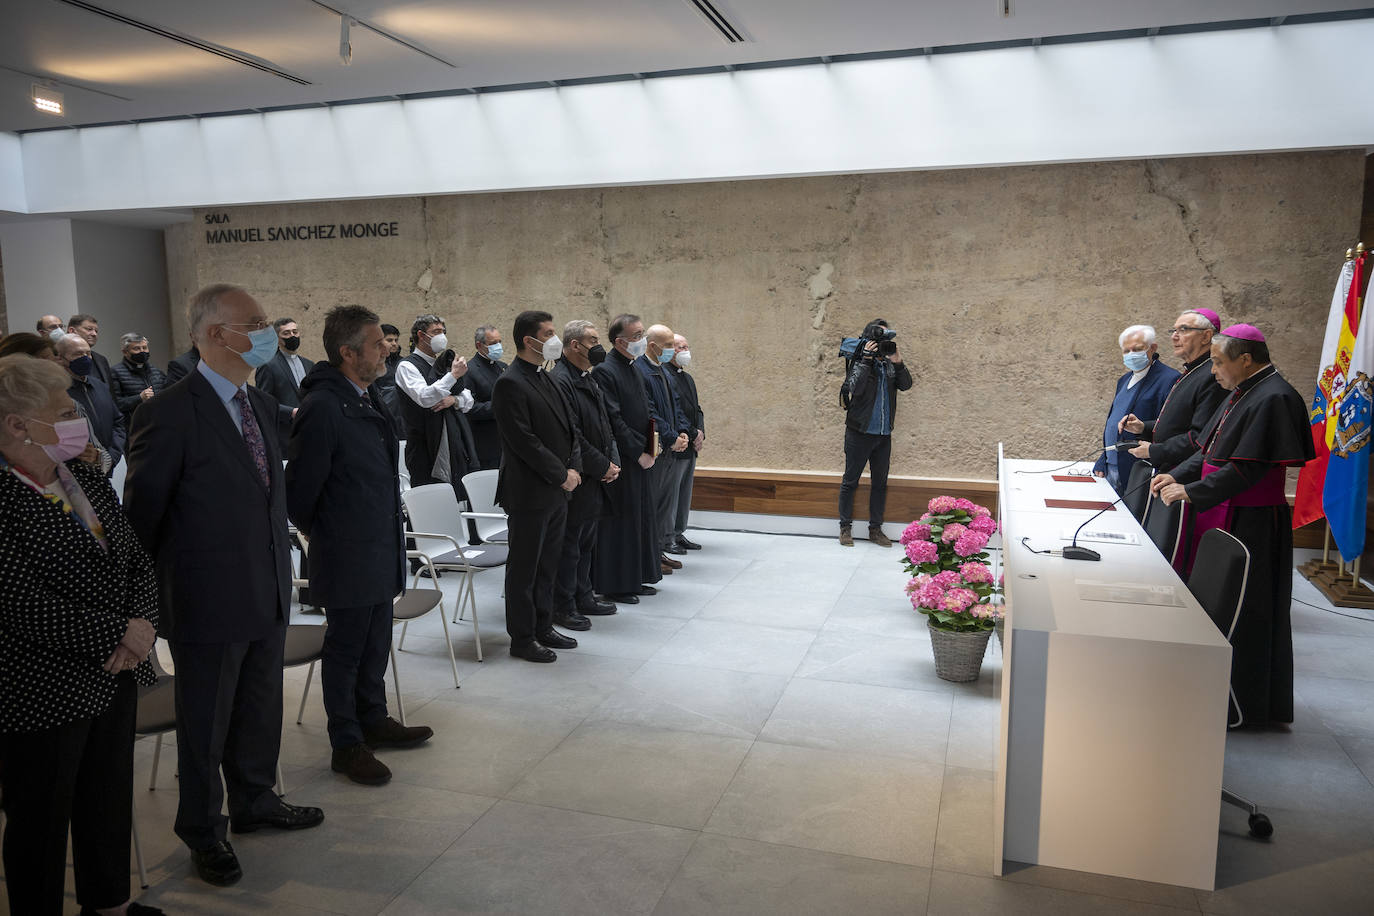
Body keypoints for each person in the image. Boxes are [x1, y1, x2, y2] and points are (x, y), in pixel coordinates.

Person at [124, 283, 324, 888]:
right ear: (215, 334)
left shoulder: (259, 405)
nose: (268, 332)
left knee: (260, 707)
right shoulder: (167, 412)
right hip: (205, 597)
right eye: (256, 323)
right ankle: (203, 830)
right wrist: (150, 604)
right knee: (206, 722)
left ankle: (256, 800)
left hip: (267, 587)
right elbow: (142, 521)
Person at [0, 355, 164, 916]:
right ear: (18, 425)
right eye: (64, 411)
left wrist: (139, 630)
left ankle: (110, 905)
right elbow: (19, 602)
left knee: (106, 801)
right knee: (40, 824)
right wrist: (120, 633)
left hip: (113, 673)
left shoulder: (84, 476)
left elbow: (137, 563)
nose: (78, 420)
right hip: (40, 687)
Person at [287, 306, 432, 787]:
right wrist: (339, 531)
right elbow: (301, 496)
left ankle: (374, 719)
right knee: (346, 648)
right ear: (348, 353)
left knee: (376, 642)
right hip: (349, 551)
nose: (386, 348)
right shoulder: (324, 407)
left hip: (377, 545)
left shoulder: (365, 398)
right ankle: (346, 743)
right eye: (376, 343)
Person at [1152, 324, 1315, 727]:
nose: (1214, 372)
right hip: (1225, 513)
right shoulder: (1242, 392)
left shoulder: (1275, 397)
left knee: (1247, 611)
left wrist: (1195, 492)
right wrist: (1180, 476)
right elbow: (1209, 450)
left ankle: (1245, 702)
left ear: (1245, 360)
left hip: (1252, 523)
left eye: (1219, 363)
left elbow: (1245, 469)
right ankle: (1209, 689)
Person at [492, 310, 582, 662]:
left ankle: (544, 625)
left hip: (558, 489)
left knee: (549, 564)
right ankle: (523, 637)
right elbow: (524, 441)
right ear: (529, 341)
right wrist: (562, 474)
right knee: (524, 568)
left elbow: (571, 429)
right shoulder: (510, 382)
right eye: (547, 333)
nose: (553, 338)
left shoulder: (548, 378)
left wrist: (573, 469)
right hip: (529, 491)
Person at [550, 320, 620, 629]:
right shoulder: (561, 380)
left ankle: (584, 594)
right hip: (578, 476)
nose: (598, 345)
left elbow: (605, 426)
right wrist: (601, 465)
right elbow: (573, 435)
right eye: (593, 340)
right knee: (570, 546)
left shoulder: (588, 377)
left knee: (587, 542)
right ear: (574, 345)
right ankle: (564, 605)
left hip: (596, 475)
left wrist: (612, 461)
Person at [591, 313, 662, 604]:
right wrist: (639, 452)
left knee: (640, 519)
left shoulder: (633, 367)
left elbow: (646, 412)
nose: (641, 341)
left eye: (642, 334)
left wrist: (652, 448)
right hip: (623, 458)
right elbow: (614, 420)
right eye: (636, 336)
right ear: (619, 341)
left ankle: (636, 577)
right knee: (620, 522)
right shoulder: (606, 371)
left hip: (642, 456)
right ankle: (616, 584)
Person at [1120, 309, 1228, 475]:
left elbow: (1201, 437)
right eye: (1174, 330)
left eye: (1183, 330)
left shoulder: (1213, 375)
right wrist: (1143, 427)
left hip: (1185, 475)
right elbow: (1178, 423)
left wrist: (1154, 451)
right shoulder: (1192, 370)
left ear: (1206, 336)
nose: (1174, 336)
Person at [838, 319, 912, 547]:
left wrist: (898, 362)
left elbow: (906, 384)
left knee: (880, 483)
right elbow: (855, 388)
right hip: (859, 432)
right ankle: (845, 528)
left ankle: (875, 529)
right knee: (850, 482)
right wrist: (865, 360)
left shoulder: (889, 364)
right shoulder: (859, 362)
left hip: (883, 435)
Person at [395, 315, 479, 502]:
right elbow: (425, 397)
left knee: (453, 499)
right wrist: (453, 376)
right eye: (436, 332)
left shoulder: (444, 364)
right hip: (424, 445)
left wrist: (454, 400)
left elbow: (468, 399)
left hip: (450, 440)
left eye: (443, 332)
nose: (442, 336)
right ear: (421, 335)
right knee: (428, 502)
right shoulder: (407, 366)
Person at [1092, 325, 1180, 494]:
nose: (1132, 354)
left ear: (1152, 348)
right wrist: (1104, 457)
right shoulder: (1125, 379)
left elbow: (1170, 425)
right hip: (1111, 466)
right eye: (1126, 351)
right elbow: (1113, 421)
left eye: (1138, 349)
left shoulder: (1168, 379)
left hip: (1138, 469)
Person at [636, 323, 693, 574]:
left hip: (670, 448)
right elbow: (651, 412)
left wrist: (682, 432)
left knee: (665, 506)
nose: (672, 351)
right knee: (653, 506)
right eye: (669, 345)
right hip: (656, 450)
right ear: (652, 346)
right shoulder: (642, 371)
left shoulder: (665, 372)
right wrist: (670, 437)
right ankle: (650, 554)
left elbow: (676, 407)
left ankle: (659, 550)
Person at [57, 332, 125, 471]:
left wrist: (112, 455)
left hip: (110, 462)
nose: (85, 358)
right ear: (61, 359)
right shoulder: (59, 392)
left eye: (88, 353)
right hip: (79, 468)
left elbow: (118, 422)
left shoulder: (99, 385)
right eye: (78, 354)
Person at [667, 333, 704, 551]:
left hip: (691, 444)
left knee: (684, 492)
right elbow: (677, 411)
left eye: (686, 346)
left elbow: (697, 409)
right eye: (680, 347)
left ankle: (679, 532)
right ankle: (667, 535)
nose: (685, 351)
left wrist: (701, 432)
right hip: (679, 442)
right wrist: (690, 433)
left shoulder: (687, 378)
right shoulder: (666, 376)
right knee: (672, 493)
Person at [253, 317, 314, 447]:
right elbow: (263, 402)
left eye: (295, 332)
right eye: (286, 333)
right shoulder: (268, 366)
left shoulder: (309, 365)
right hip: (285, 437)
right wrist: (290, 412)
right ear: (277, 339)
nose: (292, 336)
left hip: (311, 432)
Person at [465, 323, 508, 470]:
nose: (498, 346)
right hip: (486, 445)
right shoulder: (469, 370)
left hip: (508, 442)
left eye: (499, 342)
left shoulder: (502, 367)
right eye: (493, 343)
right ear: (479, 345)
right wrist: (499, 407)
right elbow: (470, 408)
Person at [109, 332, 168, 423]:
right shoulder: (115, 373)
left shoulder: (156, 371)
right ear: (125, 352)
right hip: (134, 426)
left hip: (159, 422)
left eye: (144, 348)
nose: (142, 351)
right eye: (136, 348)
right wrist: (139, 398)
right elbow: (115, 404)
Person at [372, 322, 407, 439]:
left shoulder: (405, 363)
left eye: (396, 340)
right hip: (384, 418)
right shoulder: (373, 365)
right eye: (389, 340)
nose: (394, 344)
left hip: (405, 421)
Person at [67, 314, 114, 391]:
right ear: (72, 331)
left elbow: (111, 392)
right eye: (89, 329)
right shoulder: (59, 358)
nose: (94, 334)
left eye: (96, 331)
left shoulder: (101, 359)